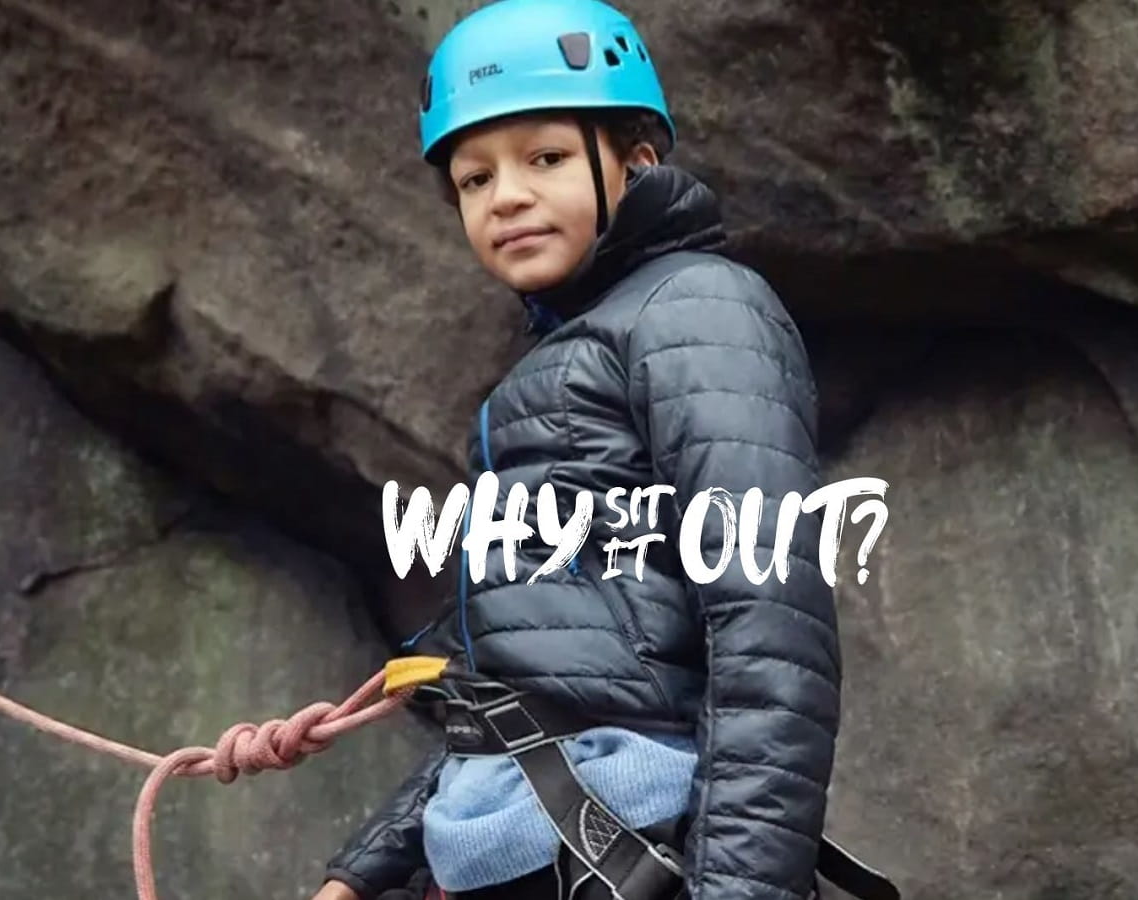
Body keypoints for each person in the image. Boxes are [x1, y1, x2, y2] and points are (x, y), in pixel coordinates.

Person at [315, 1, 841, 899]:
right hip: (540, 850)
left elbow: (770, 635)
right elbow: (521, 698)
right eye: (474, 178)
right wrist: (363, 875)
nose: (506, 196)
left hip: (626, 852)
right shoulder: (567, 360)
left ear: (637, 162)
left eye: (546, 158)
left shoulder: (697, 308)